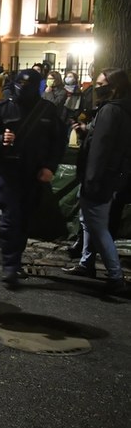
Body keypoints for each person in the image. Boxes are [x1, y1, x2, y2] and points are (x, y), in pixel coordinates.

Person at [0, 69, 67, 286]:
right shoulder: (2, 108)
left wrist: (49, 167)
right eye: (20, 83)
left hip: (34, 175)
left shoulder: (47, 110)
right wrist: (0, 139)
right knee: (10, 219)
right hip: (8, 173)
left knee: (25, 220)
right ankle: (9, 265)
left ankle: (15, 261)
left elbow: (57, 142)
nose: (23, 87)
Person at [62, 68, 131, 294]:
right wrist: (85, 132)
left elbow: (101, 149)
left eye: (101, 82)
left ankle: (115, 275)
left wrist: (92, 179)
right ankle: (86, 263)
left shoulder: (111, 110)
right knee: (88, 221)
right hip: (106, 176)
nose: (97, 86)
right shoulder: (117, 109)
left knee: (98, 226)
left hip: (100, 178)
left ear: (113, 86)